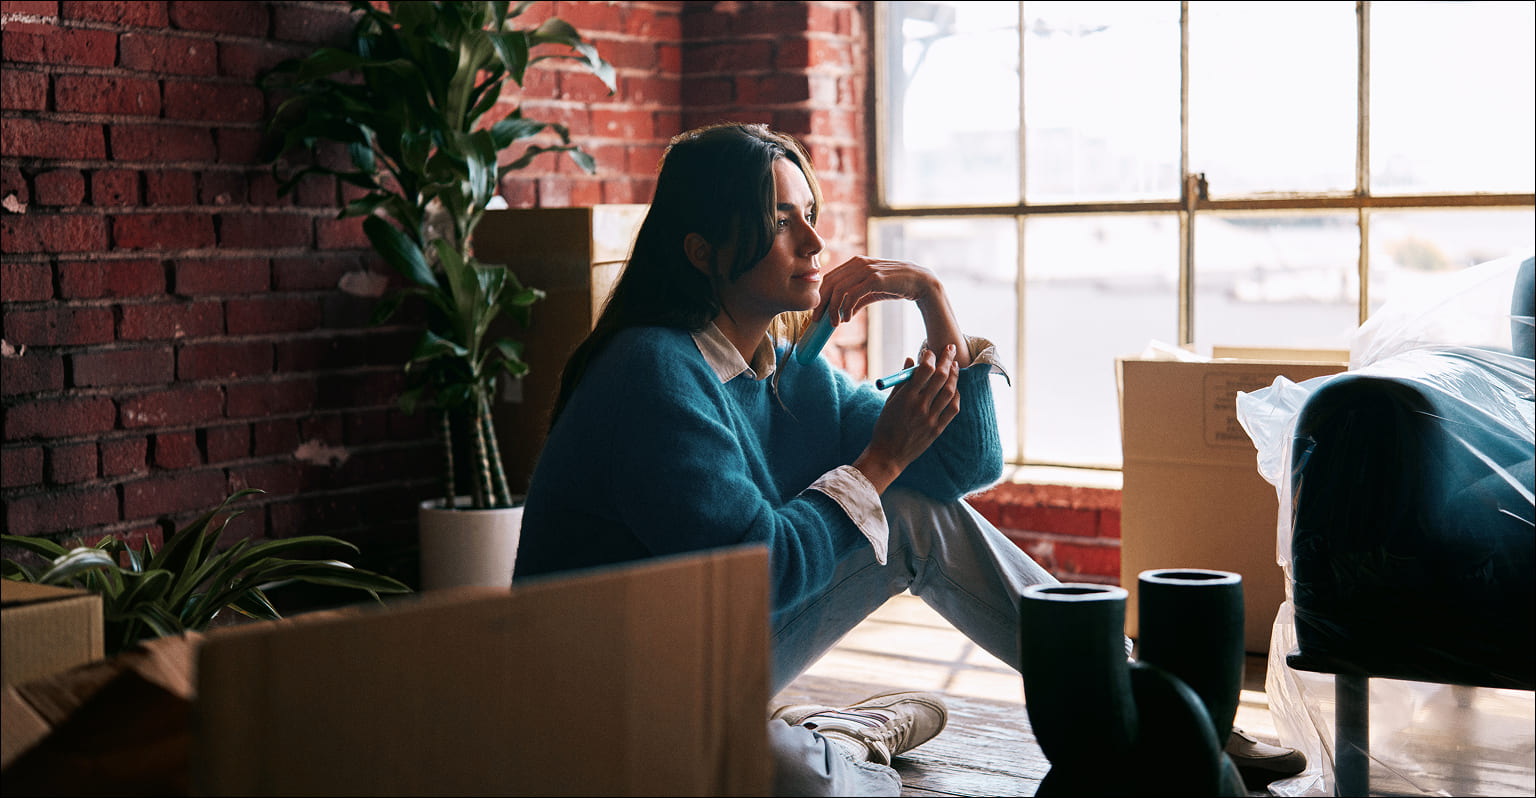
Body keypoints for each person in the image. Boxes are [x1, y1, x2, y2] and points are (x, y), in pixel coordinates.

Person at [513, 122, 1303, 795]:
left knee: (915, 514)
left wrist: (932, 299)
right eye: (781, 220)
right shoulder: (651, 371)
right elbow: (756, 572)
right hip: (607, 696)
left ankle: (1152, 704)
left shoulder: (783, 372)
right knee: (813, 783)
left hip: (704, 658)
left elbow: (958, 468)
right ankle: (842, 739)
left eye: (811, 214)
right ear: (701, 249)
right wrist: (878, 461)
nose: (817, 241)